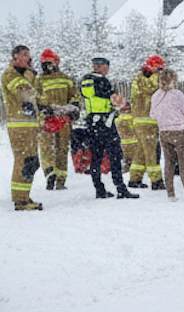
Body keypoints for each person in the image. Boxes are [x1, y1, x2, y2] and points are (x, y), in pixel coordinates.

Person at [79, 57, 139, 200]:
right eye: (105, 67)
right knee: (115, 156)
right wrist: (122, 103)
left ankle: (99, 189)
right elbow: (113, 99)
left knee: (96, 158)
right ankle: (120, 188)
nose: (106, 70)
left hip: (92, 123)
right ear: (102, 67)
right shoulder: (102, 81)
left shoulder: (85, 81)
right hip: (106, 123)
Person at [2, 45, 44, 211]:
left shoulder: (27, 74)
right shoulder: (10, 74)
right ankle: (20, 200)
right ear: (15, 58)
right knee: (24, 160)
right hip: (18, 125)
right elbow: (24, 91)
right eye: (24, 55)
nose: (28, 57)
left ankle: (25, 196)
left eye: (28, 54)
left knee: (32, 161)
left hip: (30, 125)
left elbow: (36, 93)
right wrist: (42, 103)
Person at [150, 68, 184, 202]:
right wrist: (181, 118)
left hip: (163, 132)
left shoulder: (155, 96)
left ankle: (170, 194)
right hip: (180, 131)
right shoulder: (177, 94)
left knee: (169, 163)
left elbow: (152, 115)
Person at [123, 55, 166, 190]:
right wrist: (159, 75)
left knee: (141, 150)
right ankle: (156, 180)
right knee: (151, 151)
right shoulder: (146, 80)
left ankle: (135, 178)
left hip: (141, 119)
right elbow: (153, 89)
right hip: (147, 120)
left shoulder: (139, 79)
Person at [36, 49, 76, 190]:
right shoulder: (64, 79)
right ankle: (57, 178)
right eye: (45, 63)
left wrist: (73, 108)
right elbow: (74, 97)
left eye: (49, 63)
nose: (47, 66)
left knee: (51, 148)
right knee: (59, 149)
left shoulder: (40, 80)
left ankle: (52, 174)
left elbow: (74, 97)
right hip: (55, 117)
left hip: (53, 118)